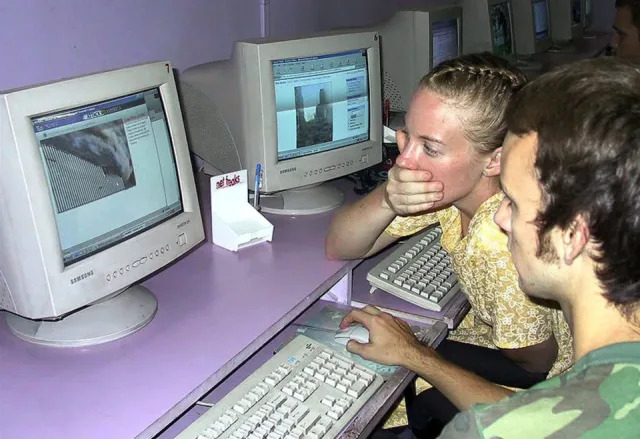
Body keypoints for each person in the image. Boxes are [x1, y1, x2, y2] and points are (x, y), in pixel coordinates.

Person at [342, 57, 640, 438]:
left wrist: (419, 355)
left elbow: (534, 367)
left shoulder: (487, 431)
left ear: (572, 235)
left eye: (513, 203)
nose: (499, 218)